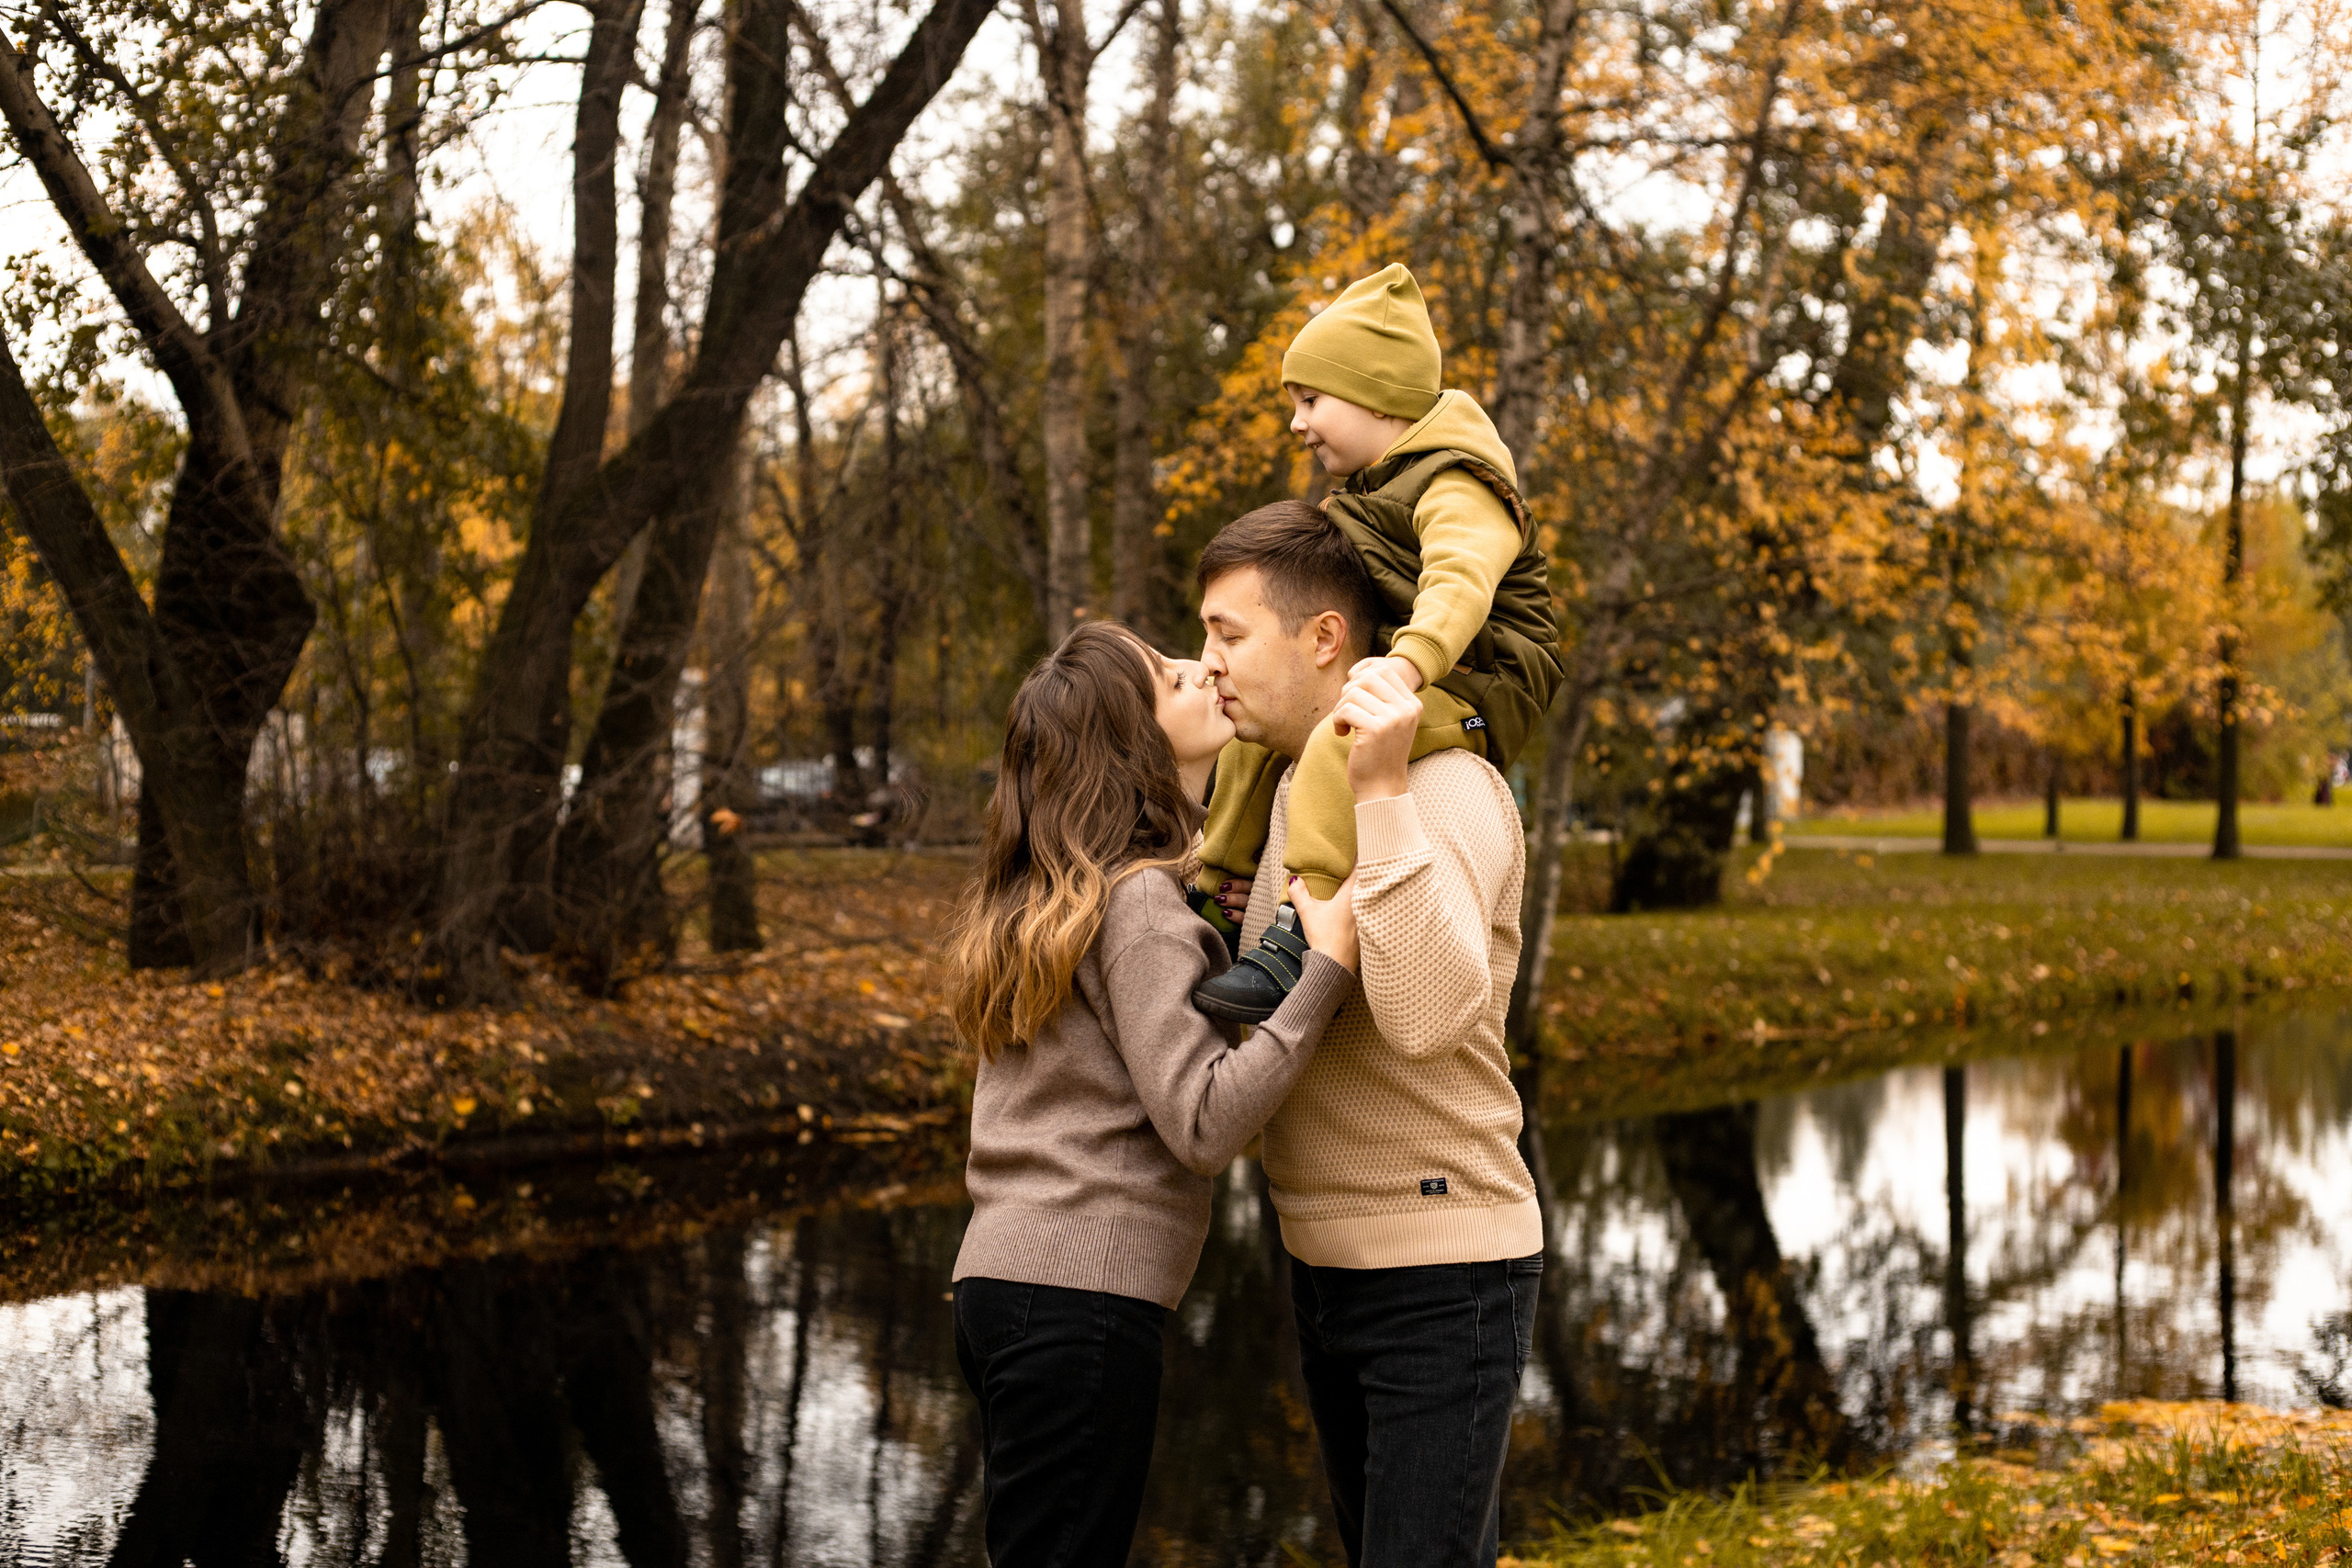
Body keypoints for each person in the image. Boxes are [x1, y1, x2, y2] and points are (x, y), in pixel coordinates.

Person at [944, 619, 1362, 1568]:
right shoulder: (1136, 904)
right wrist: (1325, 973)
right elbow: (1203, 1123)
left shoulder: (1064, 893)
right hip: (1077, 1298)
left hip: (1002, 1285)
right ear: (1133, 745)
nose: (1203, 667)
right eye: (1172, 678)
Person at [1195, 500, 1541, 1568]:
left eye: (1227, 635)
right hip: (1319, 1263)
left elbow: (1428, 1018)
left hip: (1443, 1274)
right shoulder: (1286, 793)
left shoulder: (1448, 786)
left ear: (1324, 639)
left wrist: (1383, 788)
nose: (1209, 665)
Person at [1191, 262, 1562, 1023]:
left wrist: (1404, 668)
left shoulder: (1460, 482)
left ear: (1378, 397)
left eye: (1311, 400)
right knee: (1246, 743)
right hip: (1420, 664)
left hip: (1484, 678)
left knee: (1344, 736)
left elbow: (1459, 586)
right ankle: (1216, 894)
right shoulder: (1370, 492)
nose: (1297, 423)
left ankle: (1301, 926)